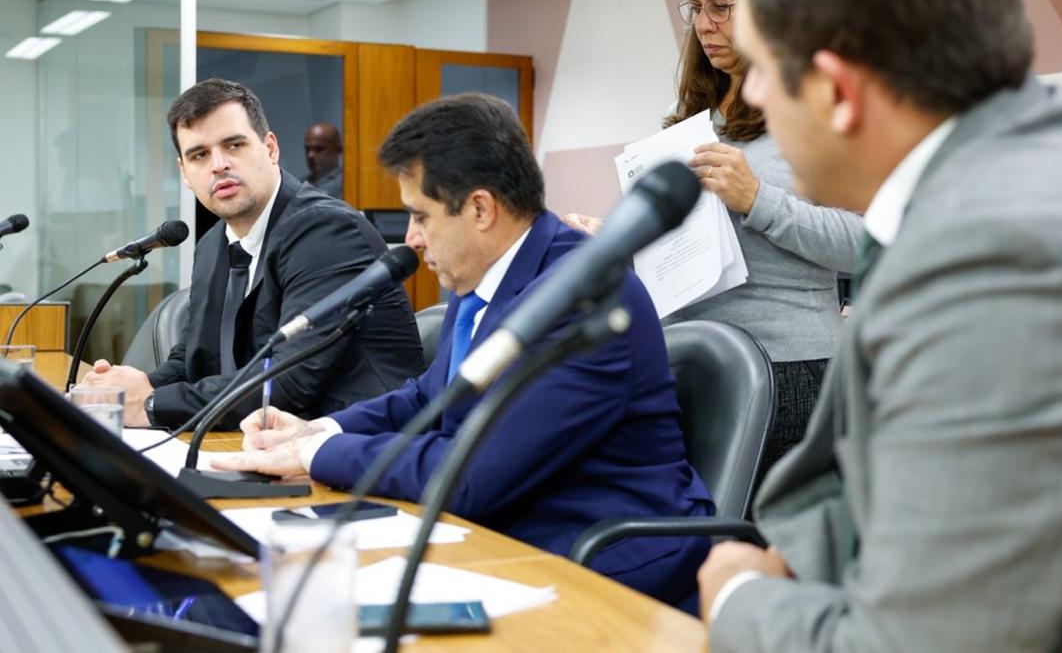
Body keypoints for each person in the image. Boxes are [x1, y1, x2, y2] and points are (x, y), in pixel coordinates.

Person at [696, 0, 1062, 650]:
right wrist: (793, 557)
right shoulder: (1042, 148)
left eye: (764, 69)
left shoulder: (1004, 261)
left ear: (838, 90)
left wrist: (733, 594)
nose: (755, 96)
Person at [213, 93, 715, 610]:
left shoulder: (581, 294)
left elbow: (473, 473)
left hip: (600, 561)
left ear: (479, 208)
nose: (411, 240)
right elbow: (427, 400)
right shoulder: (481, 280)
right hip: (503, 537)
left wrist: (314, 456)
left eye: (420, 217)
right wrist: (319, 429)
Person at [566, 0, 862, 475]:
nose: (704, 25)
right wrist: (621, 239)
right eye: (696, 8)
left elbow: (866, 245)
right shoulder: (696, 120)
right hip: (686, 357)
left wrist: (758, 200)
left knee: (753, 545)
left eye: (722, 7)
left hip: (787, 369)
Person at [82, 79, 423, 428]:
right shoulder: (214, 244)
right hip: (267, 442)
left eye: (234, 145)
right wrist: (128, 388)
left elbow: (289, 382)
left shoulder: (327, 231)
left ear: (270, 148)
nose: (219, 165)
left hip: (358, 447)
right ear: (184, 172)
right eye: (199, 154)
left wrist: (151, 405)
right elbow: (192, 359)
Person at [302, 122, 343, 198]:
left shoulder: (348, 185)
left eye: (319, 149)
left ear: (338, 150)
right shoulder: (300, 184)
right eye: (307, 149)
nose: (310, 155)